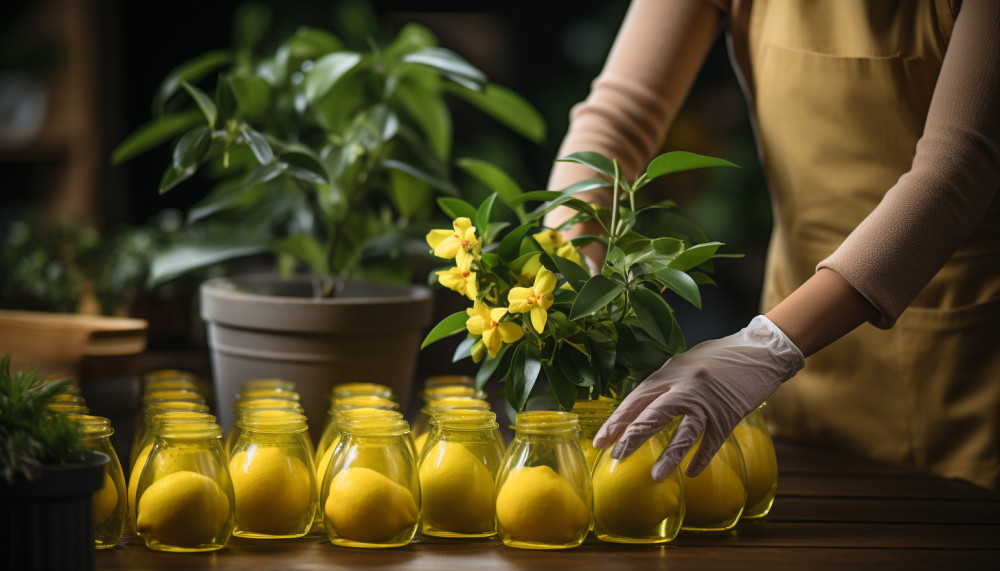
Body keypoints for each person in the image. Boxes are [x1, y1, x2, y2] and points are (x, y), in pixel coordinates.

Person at [545, 0, 1000, 491]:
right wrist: (568, 269)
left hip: (961, 362)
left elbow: (959, 165)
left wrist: (769, 346)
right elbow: (618, 118)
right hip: (800, 352)